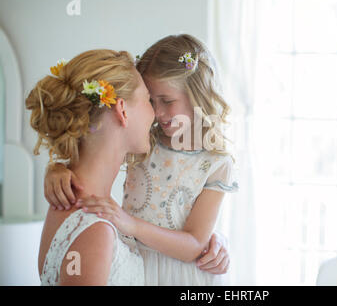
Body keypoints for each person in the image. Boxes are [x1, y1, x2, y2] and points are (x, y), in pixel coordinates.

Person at [44, 34, 238, 285]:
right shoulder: (148, 141)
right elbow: (94, 139)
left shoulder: (216, 164)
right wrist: (57, 169)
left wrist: (128, 224)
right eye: (150, 100)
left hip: (183, 275)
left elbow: (194, 243)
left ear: (197, 94)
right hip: (136, 265)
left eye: (167, 101)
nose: (157, 113)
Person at [27, 49, 154, 285]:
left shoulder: (81, 204)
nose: (155, 114)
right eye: (149, 100)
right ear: (122, 110)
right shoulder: (94, 228)